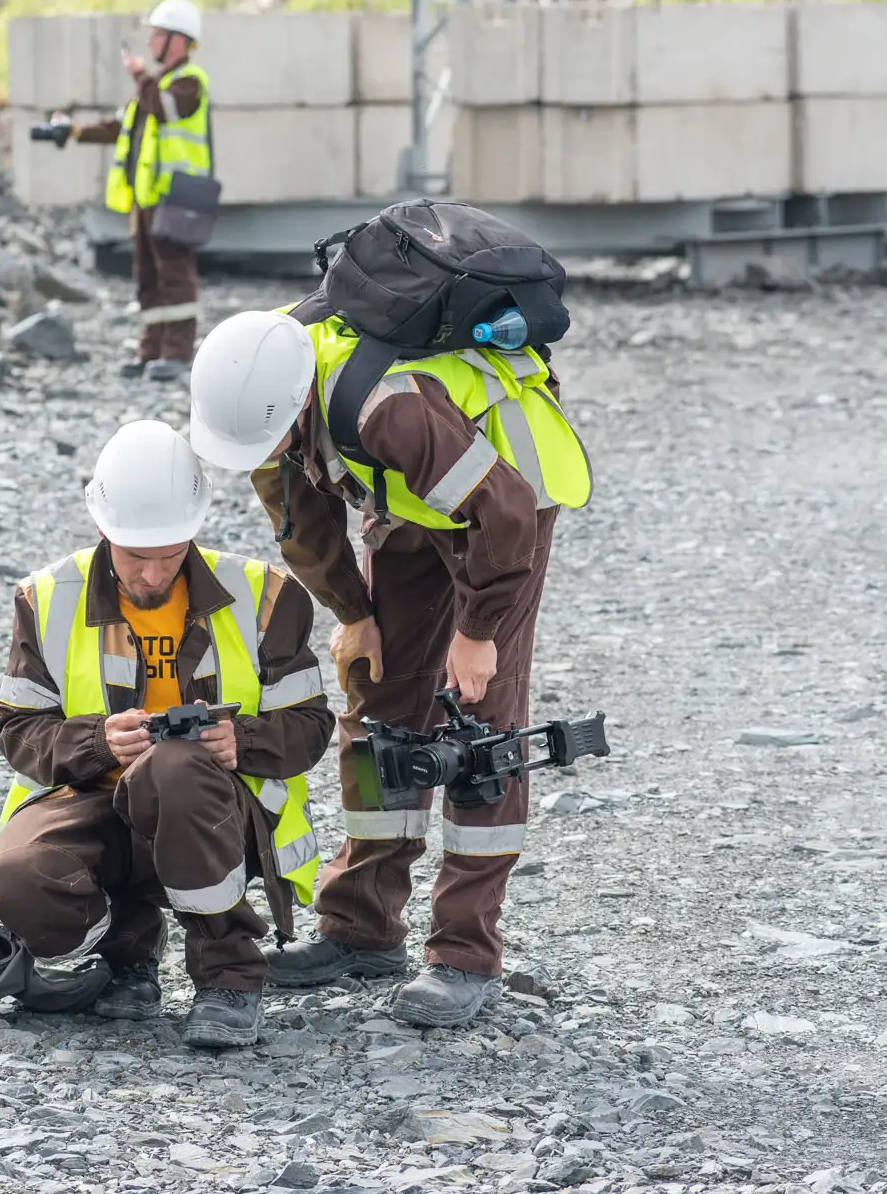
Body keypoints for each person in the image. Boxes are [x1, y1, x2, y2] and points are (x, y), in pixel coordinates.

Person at [188, 308, 587, 1029]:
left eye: (269, 440)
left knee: (480, 731)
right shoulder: (258, 384)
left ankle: (465, 955)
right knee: (378, 701)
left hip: (506, 505)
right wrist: (353, 612)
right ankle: (361, 928)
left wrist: (477, 630)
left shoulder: (389, 410)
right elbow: (299, 519)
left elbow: (504, 515)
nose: (261, 452)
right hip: (409, 504)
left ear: (301, 403)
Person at [0, 420, 332, 1049]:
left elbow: (310, 724)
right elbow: (16, 728)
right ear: (103, 530)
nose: (151, 573)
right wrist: (97, 743)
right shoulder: (45, 597)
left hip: (219, 811)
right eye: (135, 555)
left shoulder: (266, 596)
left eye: (169, 554)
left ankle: (229, 975)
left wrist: (241, 743)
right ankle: (127, 952)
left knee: (175, 766)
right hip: (91, 796)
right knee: (15, 889)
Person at [49, 0, 211, 383]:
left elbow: (163, 109)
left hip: (176, 196)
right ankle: (151, 348)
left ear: (177, 40)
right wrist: (73, 131)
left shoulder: (189, 83)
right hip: (148, 199)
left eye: (156, 34)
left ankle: (177, 352)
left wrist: (141, 76)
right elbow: (117, 126)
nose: (150, 42)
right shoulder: (154, 88)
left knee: (175, 273)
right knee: (149, 276)